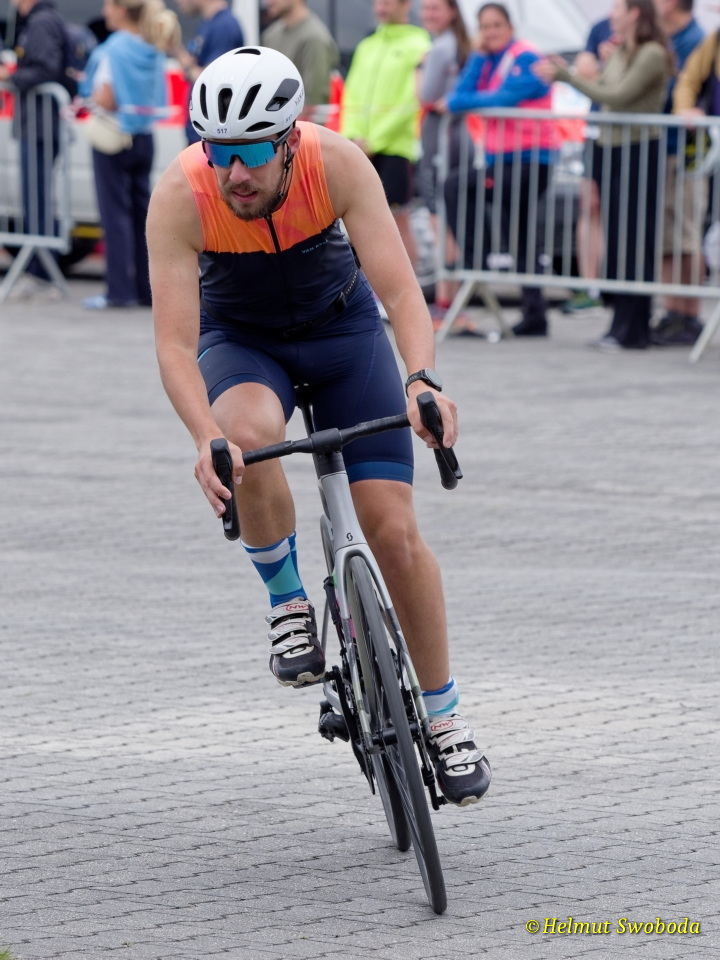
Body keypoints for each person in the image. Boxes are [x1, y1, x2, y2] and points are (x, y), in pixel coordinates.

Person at [147, 46, 491, 806]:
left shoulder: (335, 163)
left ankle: (445, 717)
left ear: (290, 140)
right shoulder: (181, 194)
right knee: (246, 435)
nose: (236, 172)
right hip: (243, 343)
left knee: (393, 531)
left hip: (344, 337)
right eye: (220, 152)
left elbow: (401, 293)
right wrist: (203, 435)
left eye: (252, 153)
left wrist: (422, 379)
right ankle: (287, 600)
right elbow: (173, 343)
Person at [535, 0, 672, 349]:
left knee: (635, 240)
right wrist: (583, 70)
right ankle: (620, 325)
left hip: (639, 151)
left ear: (635, 13)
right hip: (614, 149)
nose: (612, 15)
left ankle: (634, 328)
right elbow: (604, 90)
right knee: (619, 239)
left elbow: (617, 96)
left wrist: (568, 77)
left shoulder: (651, 53)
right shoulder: (623, 51)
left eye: (618, 9)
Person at [442, 2, 556, 337]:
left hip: (530, 159)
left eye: (496, 25)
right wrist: (477, 57)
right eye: (484, 26)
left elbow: (500, 99)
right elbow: (460, 95)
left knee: (458, 186)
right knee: (520, 232)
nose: (490, 32)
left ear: (510, 27)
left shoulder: (526, 58)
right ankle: (535, 313)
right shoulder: (489, 59)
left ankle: (476, 261)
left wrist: (471, 100)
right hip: (503, 160)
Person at [80, 0, 180, 310]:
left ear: (122, 10)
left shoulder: (113, 49)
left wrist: (91, 96)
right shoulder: (152, 47)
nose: (104, 12)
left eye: (109, 5)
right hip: (144, 137)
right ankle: (146, 290)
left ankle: (119, 291)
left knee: (115, 215)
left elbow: (106, 97)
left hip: (114, 136)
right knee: (142, 216)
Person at [341, 0, 431, 269]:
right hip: (360, 147)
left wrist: (374, 140)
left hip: (395, 148)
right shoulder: (367, 45)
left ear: (405, 5)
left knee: (397, 221)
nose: (381, 7)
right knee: (360, 222)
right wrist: (352, 136)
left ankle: (410, 287)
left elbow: (410, 102)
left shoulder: (419, 44)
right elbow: (351, 95)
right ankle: (370, 287)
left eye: (388, 1)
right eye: (378, 1)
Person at [417, 0, 481, 335]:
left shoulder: (441, 48)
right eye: (425, 8)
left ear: (452, 11)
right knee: (449, 220)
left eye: (435, 8)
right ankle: (450, 303)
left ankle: (446, 305)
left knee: (440, 220)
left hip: (442, 139)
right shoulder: (459, 44)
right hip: (457, 137)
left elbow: (425, 94)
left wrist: (419, 69)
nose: (428, 14)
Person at [0, 0, 66, 291]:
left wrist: (10, 77)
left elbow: (45, 69)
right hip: (39, 124)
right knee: (36, 199)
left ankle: (41, 273)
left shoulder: (41, 22)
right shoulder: (44, 20)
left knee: (36, 200)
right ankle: (41, 270)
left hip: (40, 126)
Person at [652, 0, 705, 345]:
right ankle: (672, 311)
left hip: (688, 150)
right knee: (668, 237)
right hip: (667, 148)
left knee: (686, 233)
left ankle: (690, 314)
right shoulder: (671, 37)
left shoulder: (696, 38)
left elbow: (684, 85)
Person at [562, 13, 614, 315]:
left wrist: (606, 66)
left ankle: (616, 288)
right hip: (595, 131)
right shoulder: (600, 27)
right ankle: (590, 286)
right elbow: (584, 70)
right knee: (589, 204)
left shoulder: (648, 30)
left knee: (621, 212)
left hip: (629, 136)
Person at [174, 0, 245, 145]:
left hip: (211, 136)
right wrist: (174, 47)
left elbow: (211, 80)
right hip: (201, 133)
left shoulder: (224, 26)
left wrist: (188, 68)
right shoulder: (208, 24)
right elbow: (193, 66)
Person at [261, 0, 338, 118]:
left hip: (298, 126)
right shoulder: (271, 35)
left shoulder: (314, 38)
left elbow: (314, 101)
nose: (268, 2)